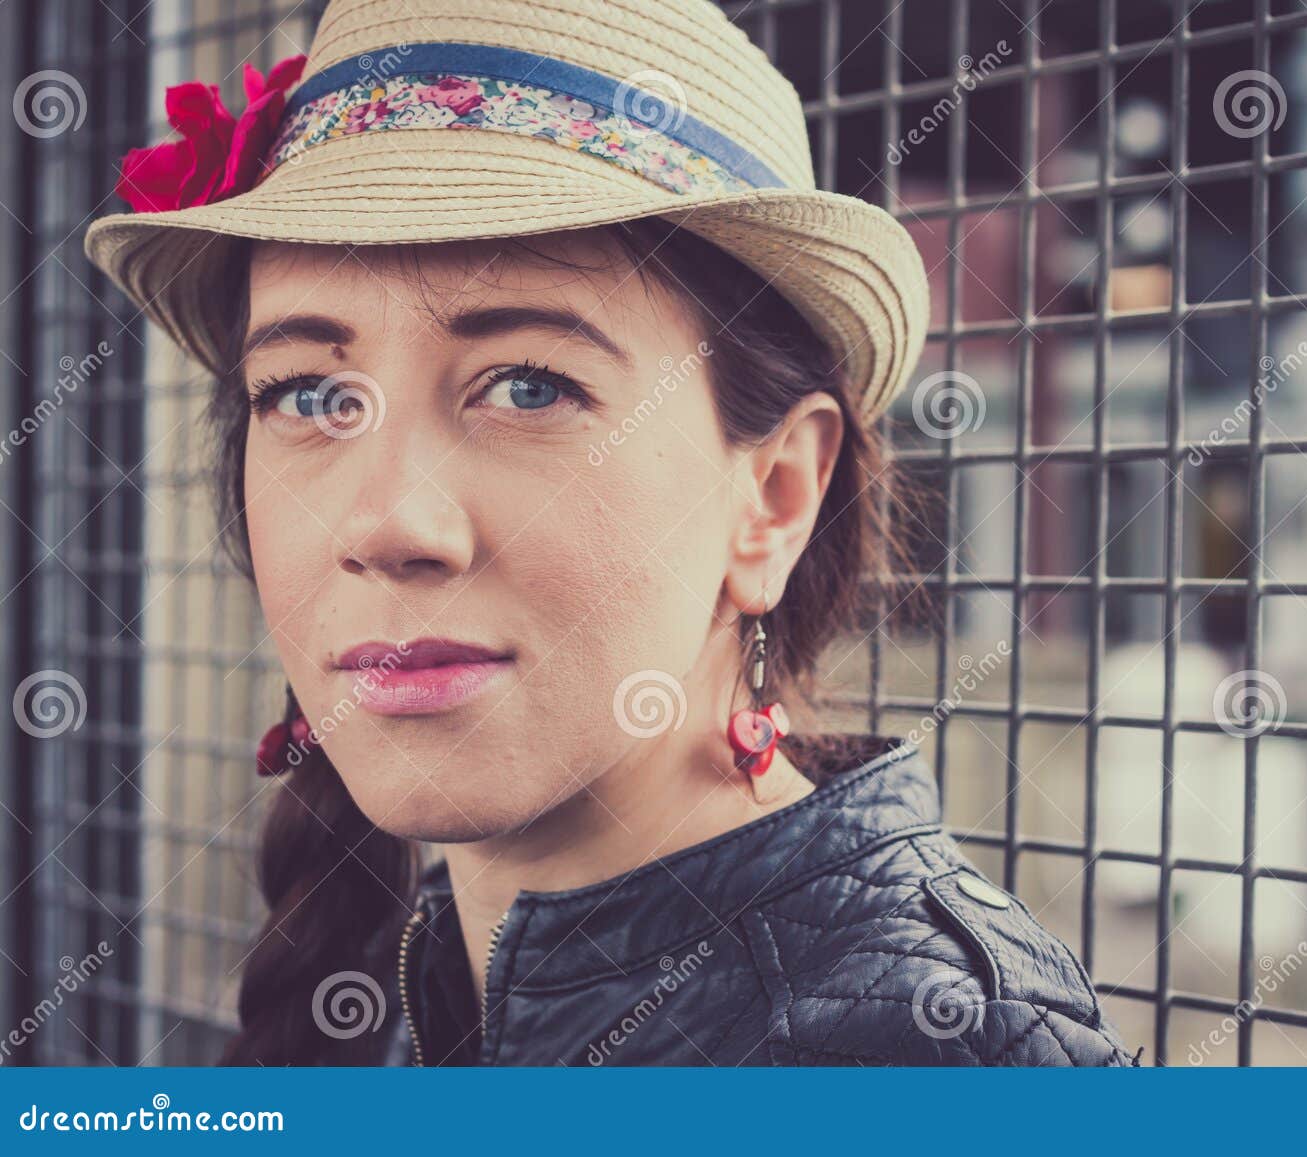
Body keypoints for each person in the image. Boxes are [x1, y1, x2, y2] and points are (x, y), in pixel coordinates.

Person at [85, 0, 1133, 1068]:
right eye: (308, 395)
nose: (387, 522)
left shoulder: (939, 1052)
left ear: (773, 497)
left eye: (528, 386)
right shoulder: (412, 984)